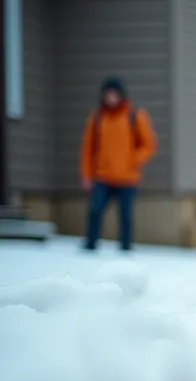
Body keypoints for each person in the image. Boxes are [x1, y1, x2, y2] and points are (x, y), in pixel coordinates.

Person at [80, 76, 157, 251]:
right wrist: (86, 174)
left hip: (127, 177)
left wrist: (133, 159)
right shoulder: (97, 118)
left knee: (125, 215)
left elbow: (148, 144)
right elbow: (88, 149)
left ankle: (126, 247)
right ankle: (90, 244)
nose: (111, 98)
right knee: (95, 210)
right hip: (102, 175)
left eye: (114, 94)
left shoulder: (134, 115)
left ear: (121, 95)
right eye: (108, 94)